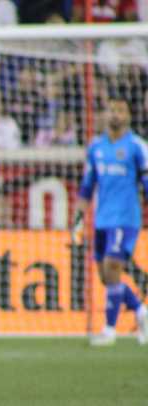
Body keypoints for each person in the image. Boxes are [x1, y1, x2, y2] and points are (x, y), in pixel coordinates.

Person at [72, 97, 148, 346]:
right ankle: (140, 310)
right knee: (106, 277)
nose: (115, 114)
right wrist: (79, 216)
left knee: (113, 266)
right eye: (111, 109)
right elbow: (87, 186)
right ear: (105, 114)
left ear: (128, 115)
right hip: (101, 219)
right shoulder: (96, 147)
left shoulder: (137, 147)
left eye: (120, 110)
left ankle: (109, 329)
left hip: (126, 218)